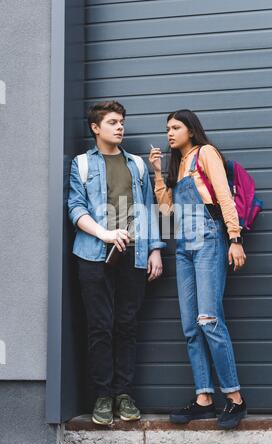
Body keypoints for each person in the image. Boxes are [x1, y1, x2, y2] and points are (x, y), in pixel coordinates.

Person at [68, 101, 165, 425]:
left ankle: (123, 394)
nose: (120, 127)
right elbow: (75, 209)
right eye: (112, 122)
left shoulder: (136, 165)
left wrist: (155, 250)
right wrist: (106, 234)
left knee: (126, 327)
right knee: (100, 328)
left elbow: (149, 208)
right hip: (93, 257)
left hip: (134, 257)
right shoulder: (81, 164)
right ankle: (102, 396)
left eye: (121, 122)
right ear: (96, 128)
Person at [149, 109, 247, 430]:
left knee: (209, 319)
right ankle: (204, 398)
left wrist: (234, 237)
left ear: (191, 129)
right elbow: (167, 211)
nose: (170, 133)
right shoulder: (178, 166)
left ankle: (234, 398)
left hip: (208, 240)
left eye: (175, 127)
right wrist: (157, 173)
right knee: (191, 327)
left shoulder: (206, 153)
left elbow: (223, 196)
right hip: (183, 247)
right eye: (167, 129)